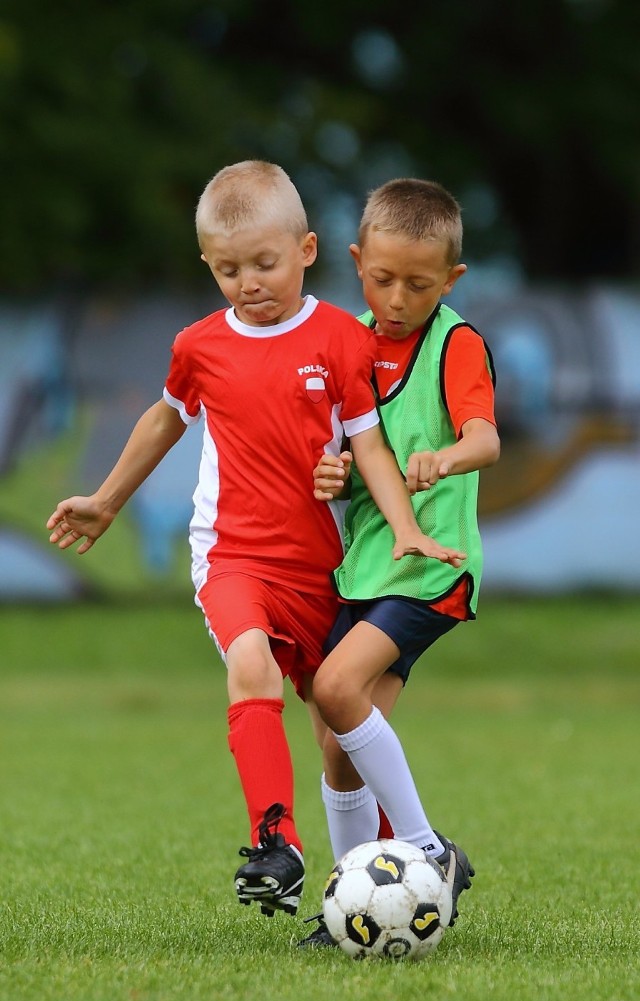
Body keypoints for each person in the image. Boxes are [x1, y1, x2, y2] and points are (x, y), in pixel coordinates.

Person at [46, 161, 466, 921]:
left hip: (325, 573)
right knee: (249, 665)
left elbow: (369, 447)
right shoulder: (200, 346)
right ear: (208, 266)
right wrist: (107, 501)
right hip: (233, 558)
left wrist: (404, 529)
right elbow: (165, 418)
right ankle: (275, 842)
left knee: (339, 747)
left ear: (306, 250)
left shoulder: (342, 340)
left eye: (264, 264)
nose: (248, 283)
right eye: (228, 269)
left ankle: (393, 875)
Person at [299, 178, 500, 947]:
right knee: (335, 734)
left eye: (419, 284)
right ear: (356, 263)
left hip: (432, 566)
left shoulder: (456, 342)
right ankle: (351, 899)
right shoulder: (341, 341)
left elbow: (485, 439)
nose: (397, 297)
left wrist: (443, 458)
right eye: (382, 278)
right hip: (365, 566)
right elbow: (340, 452)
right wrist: (331, 476)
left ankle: (425, 850)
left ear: (450, 281)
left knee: (336, 686)